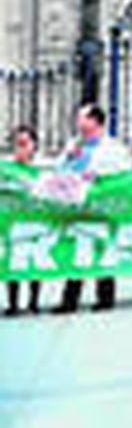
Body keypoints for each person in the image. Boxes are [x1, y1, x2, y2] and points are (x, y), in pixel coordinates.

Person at [53, 106, 132, 314]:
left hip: (101, 206)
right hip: (76, 205)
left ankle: (105, 297)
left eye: (82, 117)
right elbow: (58, 170)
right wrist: (68, 158)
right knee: (76, 249)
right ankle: (70, 299)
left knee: (103, 248)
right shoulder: (74, 145)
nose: (78, 122)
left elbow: (124, 173)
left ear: (95, 122)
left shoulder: (114, 148)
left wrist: (98, 174)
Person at [4, 124, 42, 316]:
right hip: (13, 223)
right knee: (13, 259)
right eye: (17, 144)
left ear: (34, 146)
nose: (20, 149)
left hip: (36, 222)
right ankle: (13, 303)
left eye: (24, 144)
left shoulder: (42, 170)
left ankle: (33, 301)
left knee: (35, 259)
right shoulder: (6, 170)